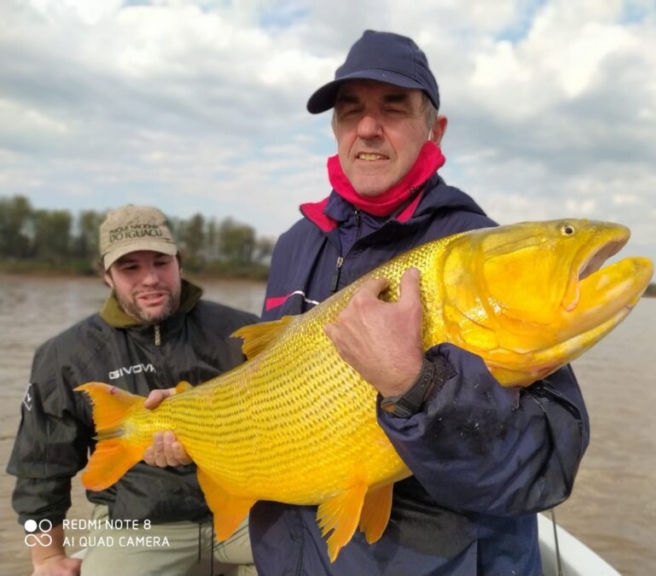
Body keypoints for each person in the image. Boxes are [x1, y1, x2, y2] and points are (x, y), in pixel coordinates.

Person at [151, 30, 590, 576]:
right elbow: (266, 383)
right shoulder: (296, 243)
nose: (367, 127)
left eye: (393, 107)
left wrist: (415, 385)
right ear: (336, 128)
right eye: (350, 109)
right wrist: (190, 419)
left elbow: (542, 468)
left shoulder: (477, 255)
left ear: (435, 128)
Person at [6, 205, 258, 576]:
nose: (150, 279)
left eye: (160, 262)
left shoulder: (242, 331)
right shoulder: (65, 355)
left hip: (246, 510)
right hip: (139, 523)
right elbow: (39, 470)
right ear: (107, 276)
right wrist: (45, 557)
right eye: (130, 268)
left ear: (179, 263)